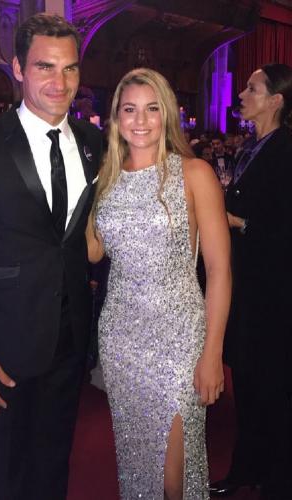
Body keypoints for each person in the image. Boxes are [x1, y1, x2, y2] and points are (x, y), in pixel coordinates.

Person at [0, 13, 103, 500]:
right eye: (45, 67)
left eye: (70, 68)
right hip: (3, 343)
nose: (60, 82)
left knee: (54, 461)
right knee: (8, 470)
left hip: (70, 336)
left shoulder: (93, 143)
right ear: (17, 68)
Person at [86, 68, 231, 499]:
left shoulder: (194, 173)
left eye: (152, 109)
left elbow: (219, 270)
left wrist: (213, 353)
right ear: (116, 117)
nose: (141, 120)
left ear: (167, 114)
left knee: (174, 475)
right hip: (122, 337)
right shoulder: (106, 179)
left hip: (180, 337)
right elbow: (93, 252)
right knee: (137, 463)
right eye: (129, 109)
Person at [210, 63, 292, 499]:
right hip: (246, 285)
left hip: (273, 292)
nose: (241, 94)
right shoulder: (250, 147)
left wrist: (238, 222)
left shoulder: (286, 150)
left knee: (272, 386)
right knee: (247, 381)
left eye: (251, 88)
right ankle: (247, 467)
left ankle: (276, 478)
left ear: (276, 100)